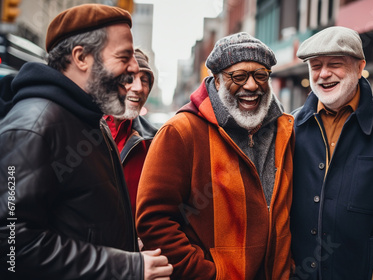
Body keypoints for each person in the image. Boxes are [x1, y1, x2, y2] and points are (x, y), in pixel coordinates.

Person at [0, 4, 172, 279]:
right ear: (81, 57)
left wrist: (127, 249)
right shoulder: (32, 127)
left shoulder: (91, 120)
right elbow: (10, 248)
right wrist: (128, 266)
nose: (133, 68)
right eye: (124, 57)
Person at [136, 32, 294, 279]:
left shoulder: (285, 131)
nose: (251, 85)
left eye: (260, 75)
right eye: (239, 76)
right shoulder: (180, 132)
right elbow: (154, 221)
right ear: (217, 81)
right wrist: (207, 275)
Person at [290, 26, 373, 279]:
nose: (323, 74)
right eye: (315, 66)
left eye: (335, 64)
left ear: (359, 66)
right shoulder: (289, 128)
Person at [104, 48, 158, 218]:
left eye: (145, 80)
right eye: (130, 78)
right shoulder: (80, 127)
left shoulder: (154, 143)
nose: (139, 88)